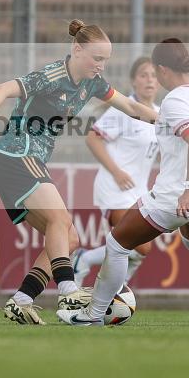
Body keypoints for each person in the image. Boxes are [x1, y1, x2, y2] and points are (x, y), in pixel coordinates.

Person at [0, 19, 158, 325]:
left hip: (28, 163)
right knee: (60, 220)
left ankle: (21, 301)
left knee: (71, 238)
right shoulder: (50, 76)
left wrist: (170, 120)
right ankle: (68, 290)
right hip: (16, 155)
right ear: (77, 50)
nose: (101, 66)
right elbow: (0, 89)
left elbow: (131, 108)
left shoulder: (92, 83)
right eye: (97, 58)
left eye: (106, 60)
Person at [57, 38, 189, 326]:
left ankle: (92, 315)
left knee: (117, 244)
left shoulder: (175, 99)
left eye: (155, 72)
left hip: (178, 193)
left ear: (163, 69)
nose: (154, 79)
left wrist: (188, 188)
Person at [74, 56, 159, 286]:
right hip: (115, 188)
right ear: (134, 81)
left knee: (139, 250)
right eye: (143, 75)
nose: (149, 80)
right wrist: (117, 171)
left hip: (140, 192)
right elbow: (92, 138)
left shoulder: (158, 115)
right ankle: (85, 260)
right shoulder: (124, 109)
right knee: (140, 244)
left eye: (153, 75)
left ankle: (115, 295)